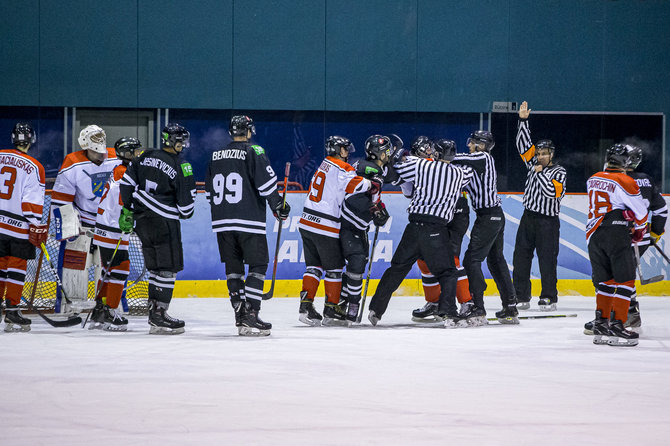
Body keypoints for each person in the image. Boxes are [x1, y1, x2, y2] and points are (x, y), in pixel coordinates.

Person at [368, 143, 473, 327]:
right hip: (436, 229)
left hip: (414, 227)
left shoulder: (421, 165)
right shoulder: (459, 173)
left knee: (397, 269)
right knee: (448, 272)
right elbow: (469, 172)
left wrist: (397, 157)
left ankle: (375, 309)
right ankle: (448, 313)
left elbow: (398, 168)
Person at [204, 115, 290, 336]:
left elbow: (208, 192)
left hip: (221, 222)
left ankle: (240, 314)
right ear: (249, 131)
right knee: (258, 265)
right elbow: (266, 185)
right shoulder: (254, 151)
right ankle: (251, 314)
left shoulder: (215, 155)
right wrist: (278, 205)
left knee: (233, 269)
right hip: (248, 220)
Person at [119, 123, 196, 335]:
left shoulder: (144, 156)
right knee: (167, 269)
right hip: (165, 223)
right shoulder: (181, 165)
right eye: (180, 140)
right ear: (171, 140)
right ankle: (159, 314)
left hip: (142, 222)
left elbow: (125, 185)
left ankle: (154, 312)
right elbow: (186, 209)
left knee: (154, 269)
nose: (183, 145)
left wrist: (128, 209)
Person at [297, 136, 373, 326]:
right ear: (339, 150)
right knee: (335, 269)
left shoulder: (323, 164)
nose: (348, 153)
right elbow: (355, 185)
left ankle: (306, 307)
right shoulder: (343, 167)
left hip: (307, 222)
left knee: (313, 267)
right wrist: (372, 183)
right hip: (325, 225)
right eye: (346, 149)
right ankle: (332, 309)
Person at [51, 125, 119, 313]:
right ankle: (71, 305)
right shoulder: (72, 163)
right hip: (83, 226)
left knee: (109, 269)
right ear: (85, 146)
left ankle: (108, 306)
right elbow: (60, 199)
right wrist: (66, 227)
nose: (100, 155)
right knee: (75, 268)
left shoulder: (116, 156)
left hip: (110, 225)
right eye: (95, 151)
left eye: (101, 151)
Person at [453, 130, 518, 325]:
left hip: (489, 217)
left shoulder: (483, 157)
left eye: (472, 142)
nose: (469, 145)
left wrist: (437, 156)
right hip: (493, 216)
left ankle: (478, 307)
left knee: (471, 259)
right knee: (496, 261)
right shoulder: (477, 164)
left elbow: (455, 158)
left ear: (481, 145)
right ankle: (510, 306)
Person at [585, 144, 647, 347]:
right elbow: (641, 213)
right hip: (615, 233)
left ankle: (601, 324)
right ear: (626, 161)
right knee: (626, 281)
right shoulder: (626, 181)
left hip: (593, 235)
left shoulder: (593, 178)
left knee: (605, 282)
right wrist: (639, 229)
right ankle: (618, 325)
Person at [512, 101, 567, 311]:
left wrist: (540, 173)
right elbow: (522, 145)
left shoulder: (559, 172)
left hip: (548, 222)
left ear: (552, 154)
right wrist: (523, 121)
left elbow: (553, 193)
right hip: (529, 218)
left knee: (547, 260)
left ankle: (548, 297)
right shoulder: (532, 163)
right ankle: (521, 295)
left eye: (545, 153)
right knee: (521, 257)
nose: (540, 156)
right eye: (539, 153)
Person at [410, 139, 473, 322]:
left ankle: (466, 302)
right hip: (437, 216)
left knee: (450, 259)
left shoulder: (445, 165)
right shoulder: (425, 165)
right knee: (424, 259)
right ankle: (434, 302)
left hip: (455, 213)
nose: (423, 154)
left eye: (425, 151)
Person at [90, 137, 143, 331]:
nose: (139, 154)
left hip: (105, 224)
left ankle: (100, 309)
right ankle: (111, 311)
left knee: (108, 270)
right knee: (121, 268)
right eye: (135, 151)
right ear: (127, 153)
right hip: (113, 226)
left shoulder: (121, 169)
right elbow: (124, 199)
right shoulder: (124, 172)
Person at [339, 135, 392, 324]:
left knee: (357, 266)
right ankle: (351, 305)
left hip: (360, 228)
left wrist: (378, 209)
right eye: (386, 150)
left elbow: (375, 196)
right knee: (355, 265)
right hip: (348, 224)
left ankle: (342, 303)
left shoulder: (379, 170)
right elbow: (360, 169)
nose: (389, 153)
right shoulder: (364, 166)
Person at [0, 123, 47, 332]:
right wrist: (36, 224)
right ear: (32, 140)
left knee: (0, 266)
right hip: (17, 226)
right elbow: (31, 202)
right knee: (16, 267)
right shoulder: (34, 166)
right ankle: (12, 311)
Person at [623, 144, 667, 328]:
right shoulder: (646, 179)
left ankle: (630, 312)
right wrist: (655, 232)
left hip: (620, 235)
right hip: (641, 237)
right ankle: (627, 312)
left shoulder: (617, 179)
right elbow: (662, 209)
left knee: (619, 274)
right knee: (625, 273)